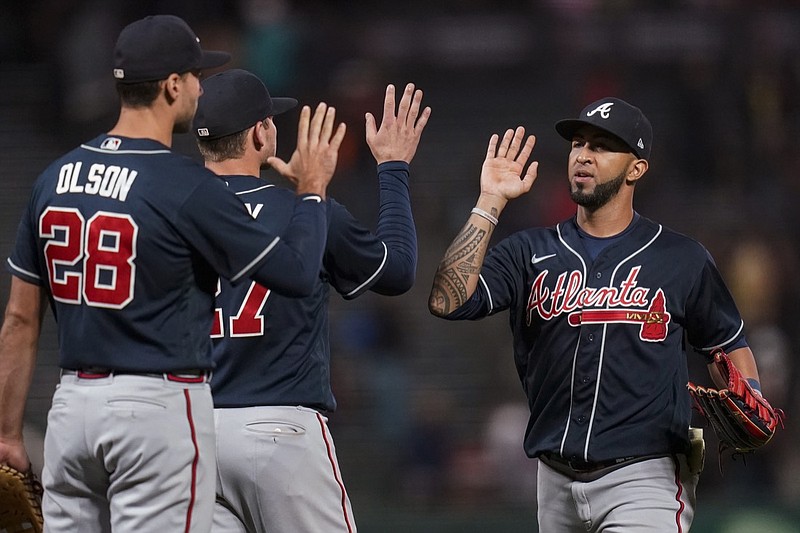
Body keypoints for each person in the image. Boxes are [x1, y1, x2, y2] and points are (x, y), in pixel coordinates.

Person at [0, 15, 345, 533]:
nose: (201, 90)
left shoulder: (54, 178)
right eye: (196, 77)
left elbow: (20, 322)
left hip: (71, 410)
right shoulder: (184, 185)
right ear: (172, 85)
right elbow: (295, 273)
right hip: (154, 407)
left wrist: (7, 434)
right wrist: (313, 190)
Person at [428, 97, 767, 532]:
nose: (584, 155)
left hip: (646, 479)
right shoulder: (528, 252)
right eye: (578, 144)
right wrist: (489, 201)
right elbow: (446, 301)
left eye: (603, 146)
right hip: (553, 482)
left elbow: (729, 341)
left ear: (636, 169)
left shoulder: (681, 258)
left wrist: (751, 391)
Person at [191, 69, 430, 532]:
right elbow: (398, 271)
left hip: (192, 433)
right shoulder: (303, 210)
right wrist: (393, 166)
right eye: (271, 120)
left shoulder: (167, 212)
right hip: (281, 430)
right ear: (261, 133)